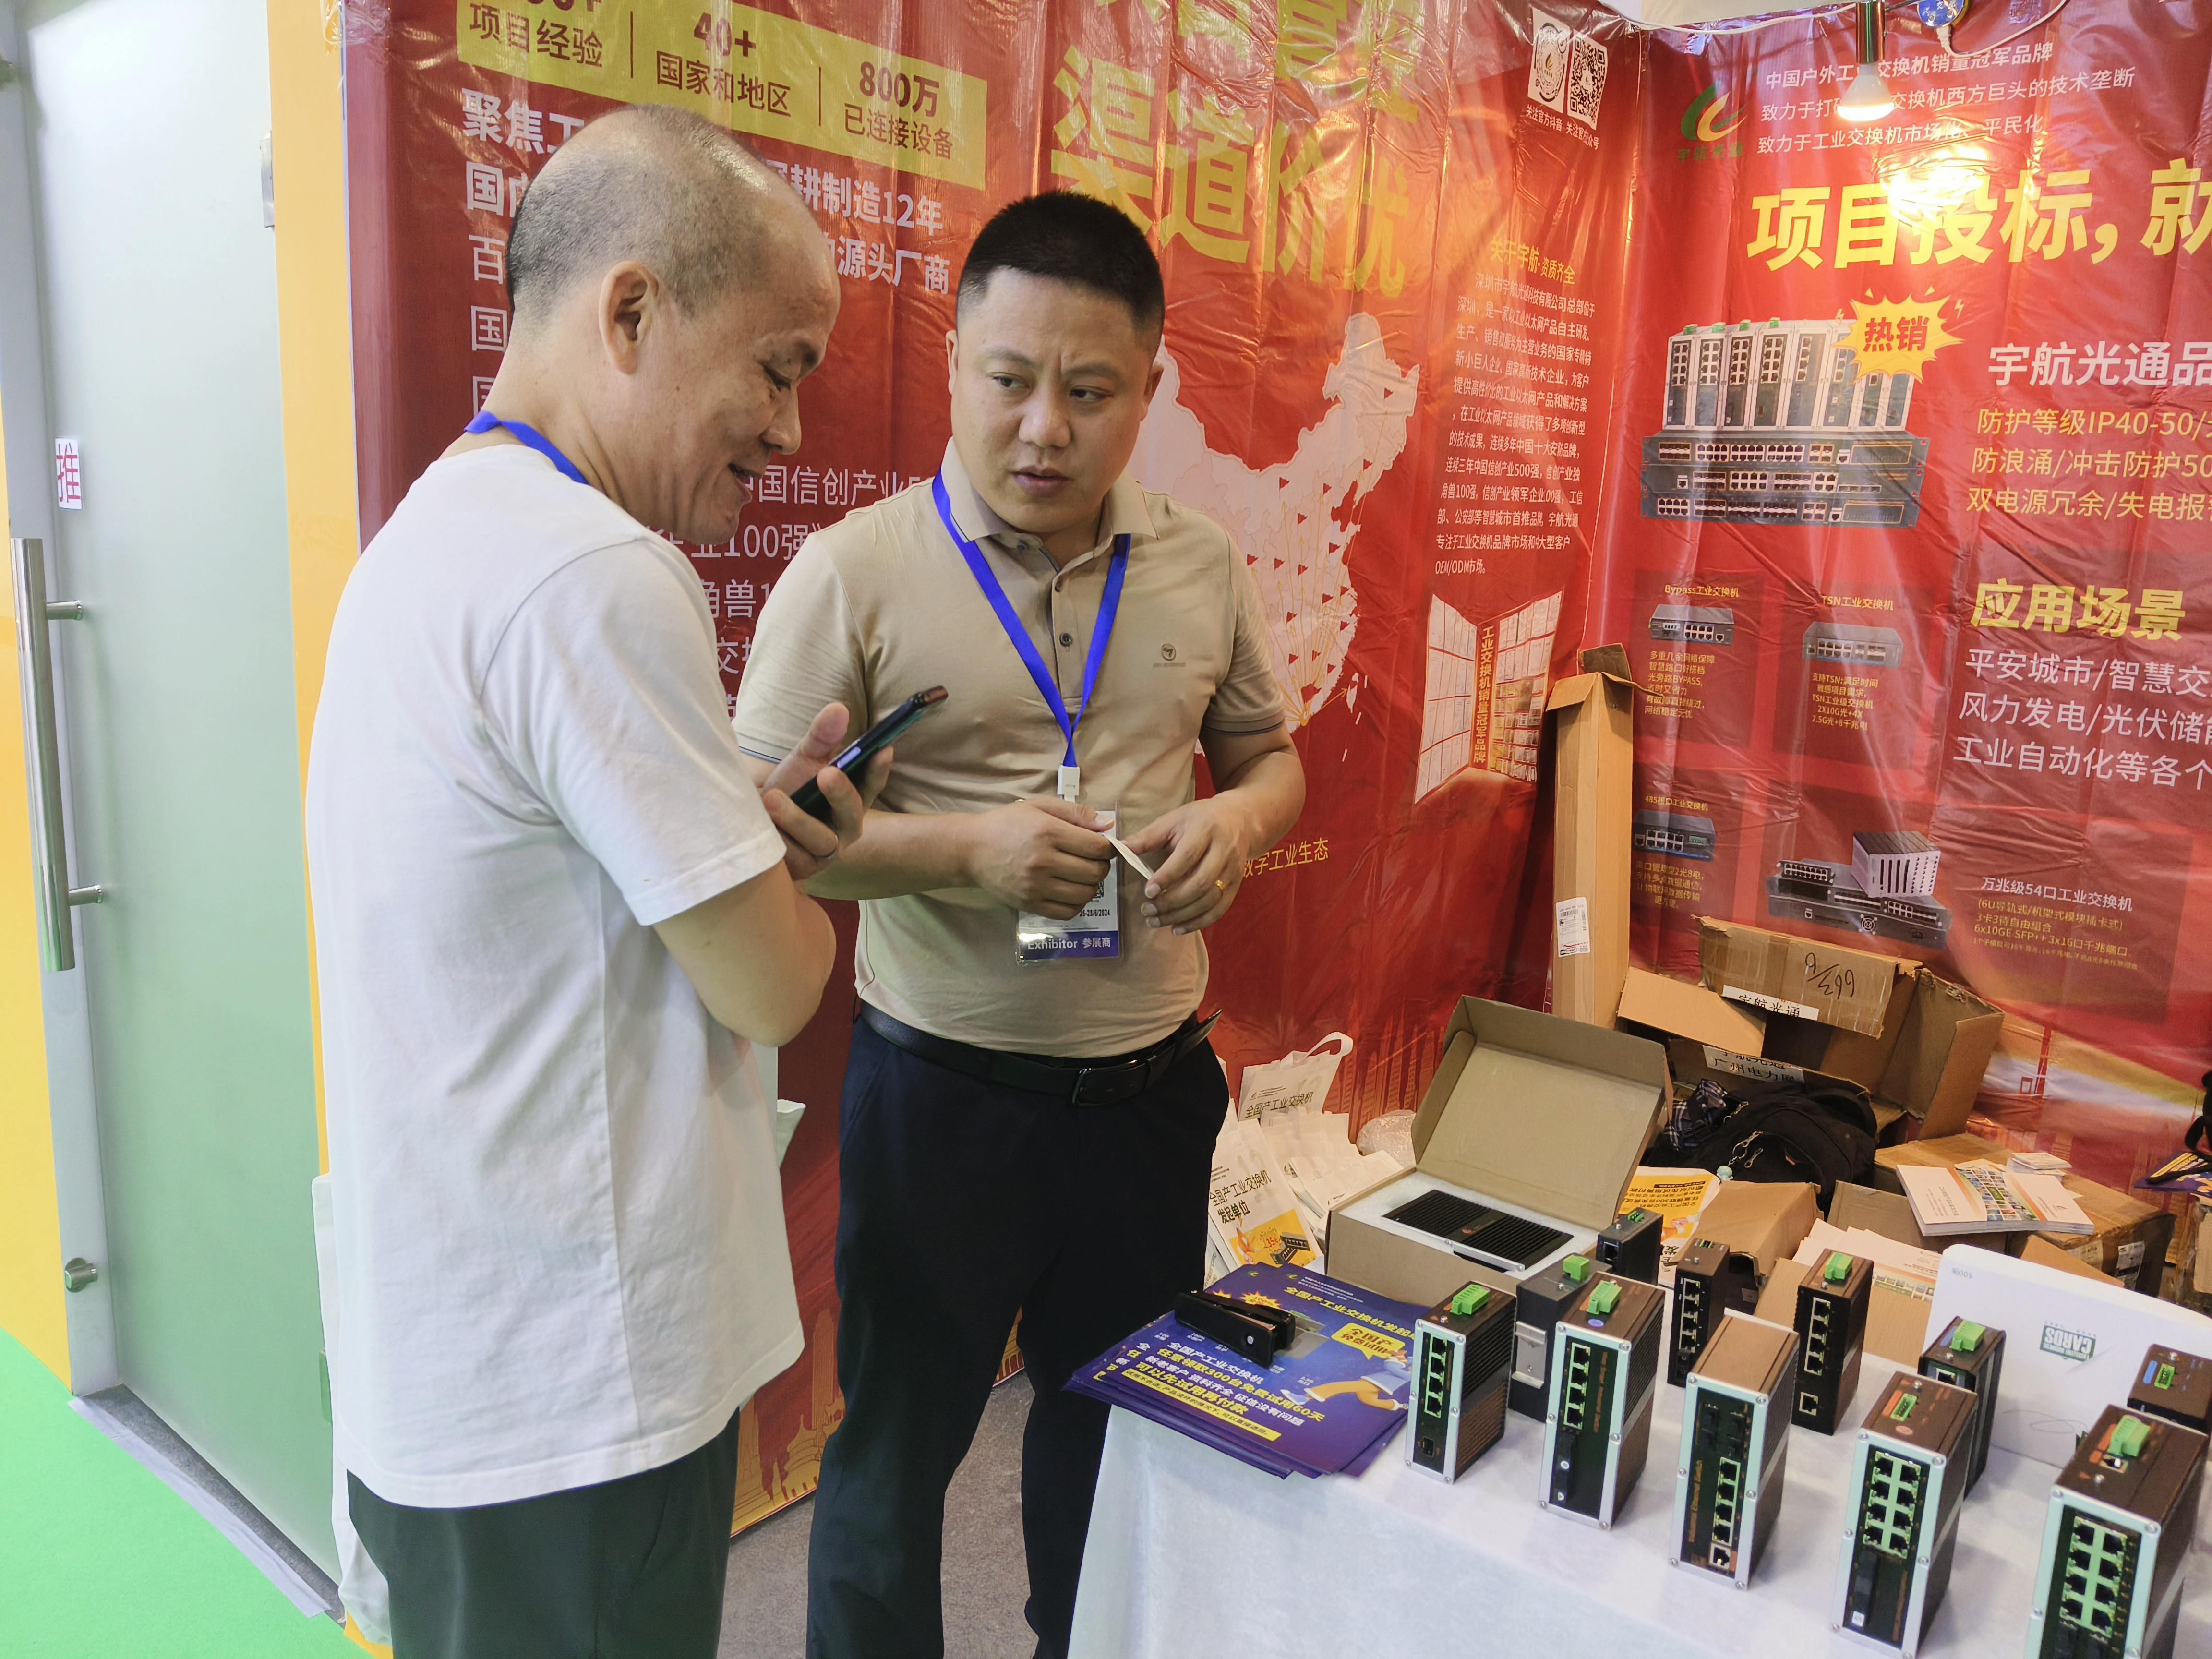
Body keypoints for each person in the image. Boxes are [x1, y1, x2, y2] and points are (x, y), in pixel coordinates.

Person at [304, 107, 883, 1659]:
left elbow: (538, 892)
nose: (790, 431)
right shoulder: (595, 572)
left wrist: (727, 831)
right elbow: (774, 983)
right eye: (779, 367)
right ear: (631, 312)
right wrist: (790, 879)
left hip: (466, 1363)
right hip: (572, 1394)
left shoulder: (438, 534)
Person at [733, 191, 1307, 1659]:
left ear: (1150, 390)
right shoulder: (854, 572)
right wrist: (965, 852)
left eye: (1090, 391)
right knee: (894, 1456)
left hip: (1145, 1096)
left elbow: (1269, 760)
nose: (1045, 427)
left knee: (1114, 1428)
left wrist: (1239, 825)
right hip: (945, 1101)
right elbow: (752, 836)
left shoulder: (1200, 563)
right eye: (1009, 379)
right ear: (953, 366)